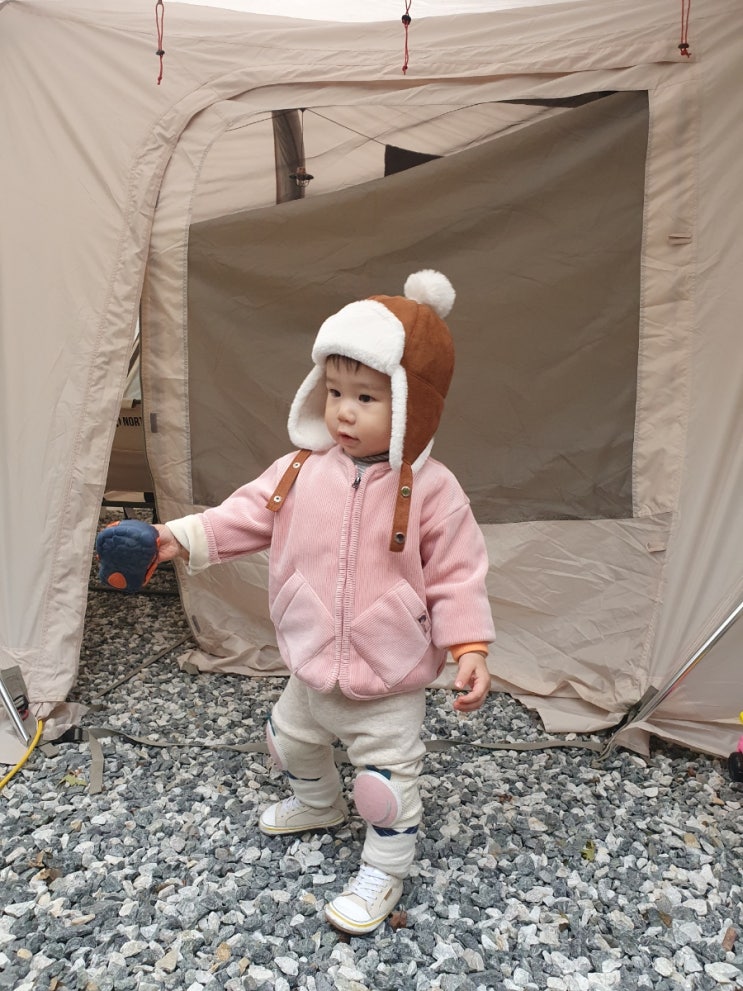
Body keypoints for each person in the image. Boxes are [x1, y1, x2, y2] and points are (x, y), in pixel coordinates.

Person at [154, 270, 495, 934]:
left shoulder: (433, 489)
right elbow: (241, 516)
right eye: (335, 391)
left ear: (414, 403)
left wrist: (469, 645)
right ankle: (318, 803)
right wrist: (178, 537)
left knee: (384, 787)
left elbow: (458, 572)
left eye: (367, 397)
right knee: (288, 743)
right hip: (310, 660)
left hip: (387, 675)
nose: (343, 411)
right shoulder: (300, 469)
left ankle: (383, 870)